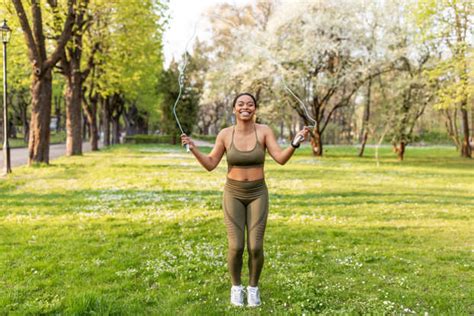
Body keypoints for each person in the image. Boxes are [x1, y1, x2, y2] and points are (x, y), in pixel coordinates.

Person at [181, 93, 309, 307]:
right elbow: (211, 163)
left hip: (258, 193)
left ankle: (253, 289)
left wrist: (295, 143)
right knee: (236, 246)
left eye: (250, 104)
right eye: (240, 104)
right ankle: (236, 287)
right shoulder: (224, 134)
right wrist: (194, 148)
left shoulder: (265, 131)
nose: (245, 107)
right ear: (234, 109)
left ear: (255, 109)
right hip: (233, 193)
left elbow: (280, 159)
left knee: (256, 246)